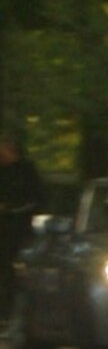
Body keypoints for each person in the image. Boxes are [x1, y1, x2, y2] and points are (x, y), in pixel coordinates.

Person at [0, 129, 46, 316]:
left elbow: (37, 200)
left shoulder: (27, 171)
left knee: (15, 269)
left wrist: (11, 209)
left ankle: (13, 309)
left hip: (19, 228)